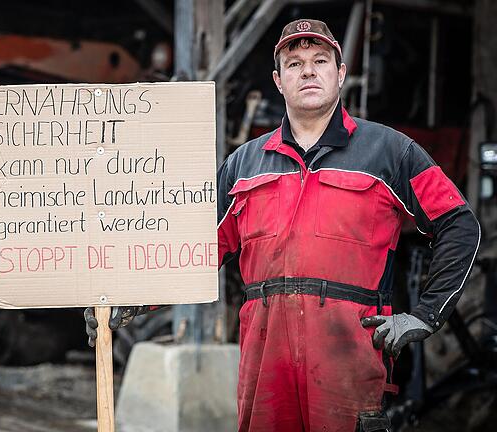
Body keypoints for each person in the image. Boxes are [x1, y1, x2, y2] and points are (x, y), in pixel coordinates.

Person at [85, 18, 480, 431]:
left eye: (320, 60)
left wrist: (425, 315)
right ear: (278, 80)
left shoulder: (391, 152)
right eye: (294, 63)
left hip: (349, 361)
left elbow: (457, 223)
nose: (308, 70)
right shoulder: (242, 165)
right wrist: (131, 298)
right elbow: (196, 253)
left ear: (340, 74)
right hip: (265, 365)